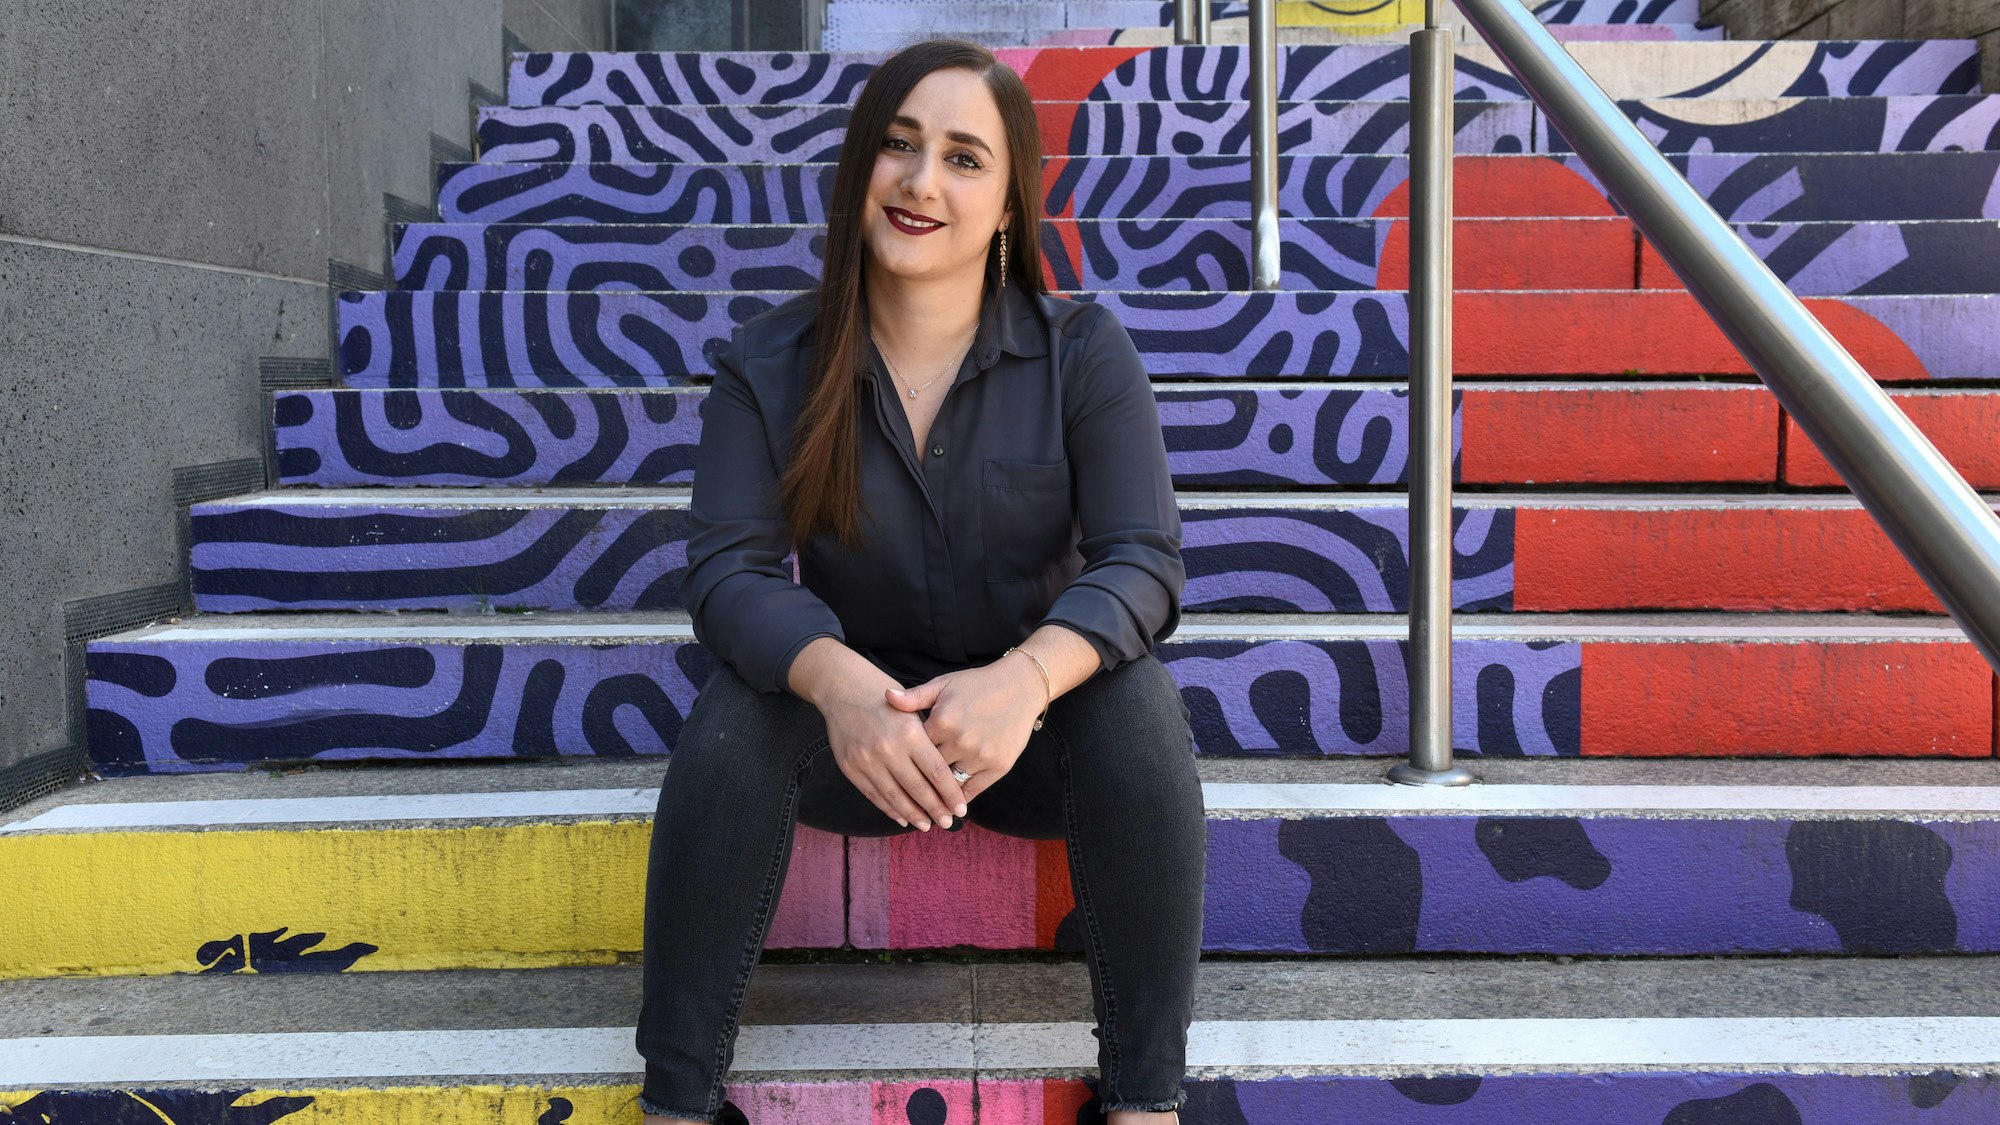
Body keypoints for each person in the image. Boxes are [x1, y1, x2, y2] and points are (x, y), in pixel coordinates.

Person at [634, 36, 1206, 1125]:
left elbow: (1145, 560)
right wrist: (841, 688)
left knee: (1133, 701)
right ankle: (676, 1100)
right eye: (898, 147)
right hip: (867, 747)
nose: (919, 181)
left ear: (1006, 207)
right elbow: (727, 572)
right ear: (860, 170)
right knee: (736, 710)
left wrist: (1027, 679)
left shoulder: (1082, 351)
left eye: (962, 158)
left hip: (1034, 748)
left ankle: (1142, 1100)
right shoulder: (767, 363)